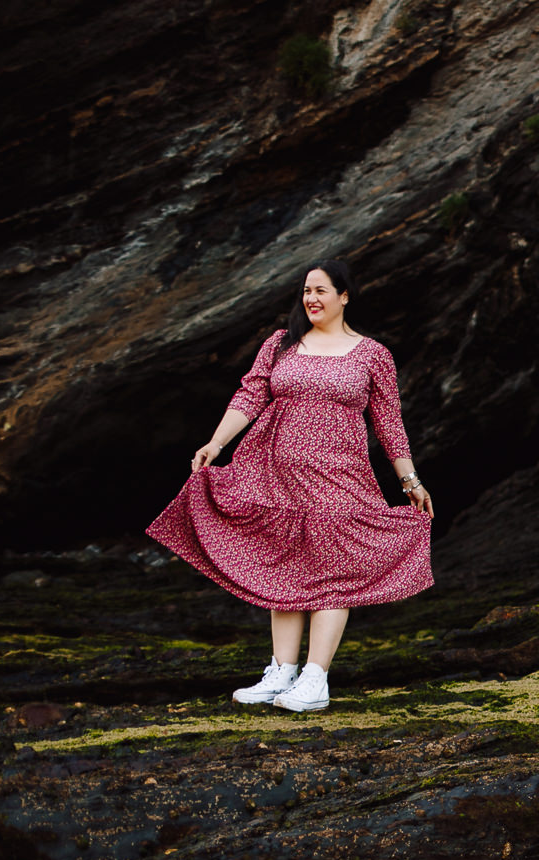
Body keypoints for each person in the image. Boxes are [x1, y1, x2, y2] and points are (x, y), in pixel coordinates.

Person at [147, 260, 435, 712]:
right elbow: (250, 394)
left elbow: (388, 422)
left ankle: (315, 679)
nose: (311, 299)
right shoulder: (281, 345)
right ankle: (282, 672)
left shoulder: (372, 354)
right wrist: (216, 443)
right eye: (306, 291)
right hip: (275, 474)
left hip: (341, 476)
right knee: (284, 567)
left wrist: (410, 480)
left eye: (321, 290)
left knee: (333, 572)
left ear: (344, 296)